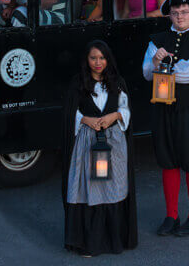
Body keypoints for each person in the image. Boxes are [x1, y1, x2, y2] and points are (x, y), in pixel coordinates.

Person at [142, 0, 189, 237]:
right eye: (174, 13)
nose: (179, 16)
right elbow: (146, 73)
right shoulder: (157, 39)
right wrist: (156, 63)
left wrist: (166, 67)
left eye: (184, 12)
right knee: (167, 159)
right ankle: (171, 215)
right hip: (163, 106)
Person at [63, 41, 137, 256]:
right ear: (86, 60)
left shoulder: (118, 82)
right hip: (87, 143)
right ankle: (90, 243)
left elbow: (126, 108)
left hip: (113, 143)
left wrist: (115, 115)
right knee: (90, 189)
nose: (98, 62)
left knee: (114, 188)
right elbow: (69, 112)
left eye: (102, 58)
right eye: (93, 58)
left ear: (108, 59)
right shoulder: (77, 83)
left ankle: (114, 241)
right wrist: (85, 119)